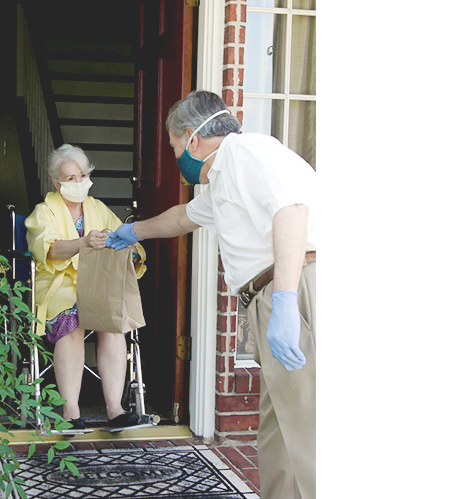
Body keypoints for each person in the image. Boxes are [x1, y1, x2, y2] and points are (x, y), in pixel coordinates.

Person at [106, 90, 316, 499]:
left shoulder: (247, 151)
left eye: (173, 147)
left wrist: (288, 300)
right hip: (273, 292)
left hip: (299, 285)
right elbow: (185, 216)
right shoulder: (223, 177)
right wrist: (134, 230)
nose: (175, 157)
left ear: (192, 139)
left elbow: (290, 210)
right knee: (281, 437)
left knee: (311, 430)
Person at [25, 144, 146, 430]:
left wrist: (134, 251)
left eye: (82, 176)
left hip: (95, 283)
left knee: (112, 318)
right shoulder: (44, 212)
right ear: (57, 183)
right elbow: (48, 250)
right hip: (58, 285)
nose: (78, 183)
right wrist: (82, 242)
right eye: (70, 178)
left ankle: (115, 409)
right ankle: (70, 411)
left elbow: (124, 237)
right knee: (72, 320)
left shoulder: (97, 208)